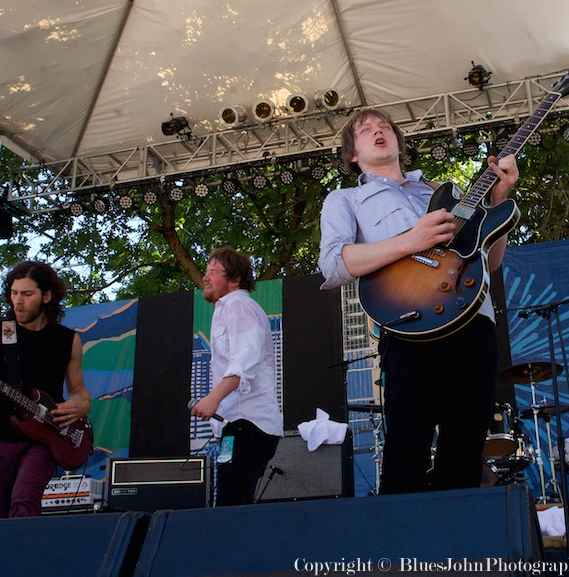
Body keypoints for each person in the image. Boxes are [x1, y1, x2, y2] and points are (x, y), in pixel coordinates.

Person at [318, 108, 518, 494]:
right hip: (411, 325)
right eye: (365, 130)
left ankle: (457, 552)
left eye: (385, 127)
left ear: (398, 142)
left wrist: (499, 198)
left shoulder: (443, 192)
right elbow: (333, 265)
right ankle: (400, 550)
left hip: (472, 320)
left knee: (465, 453)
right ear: (352, 154)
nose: (378, 131)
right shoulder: (346, 199)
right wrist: (412, 239)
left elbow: (488, 261)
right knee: (406, 454)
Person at [0, 260, 91, 518]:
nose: (18, 301)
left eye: (27, 294)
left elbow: (78, 390)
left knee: (24, 503)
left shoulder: (67, 339)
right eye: (14, 293)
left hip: (43, 439)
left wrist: (84, 403)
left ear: (47, 296)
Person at [190, 247, 283, 506]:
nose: (205, 278)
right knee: (231, 502)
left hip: (249, 424)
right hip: (239, 425)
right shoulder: (227, 308)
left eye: (212, 272)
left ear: (235, 280)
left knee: (232, 507)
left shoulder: (239, 306)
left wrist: (213, 399)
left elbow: (244, 361)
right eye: (205, 272)